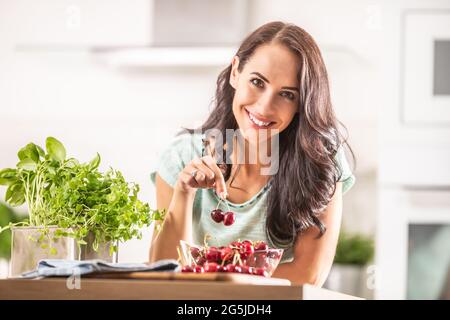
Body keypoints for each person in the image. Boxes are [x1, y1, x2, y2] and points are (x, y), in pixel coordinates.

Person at [149, 21, 355, 286]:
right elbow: (162, 275)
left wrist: (216, 285)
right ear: (236, 72)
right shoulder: (181, 157)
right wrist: (184, 193)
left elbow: (308, 275)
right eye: (257, 82)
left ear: (302, 104)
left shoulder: (320, 162)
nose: (264, 106)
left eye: (287, 95)